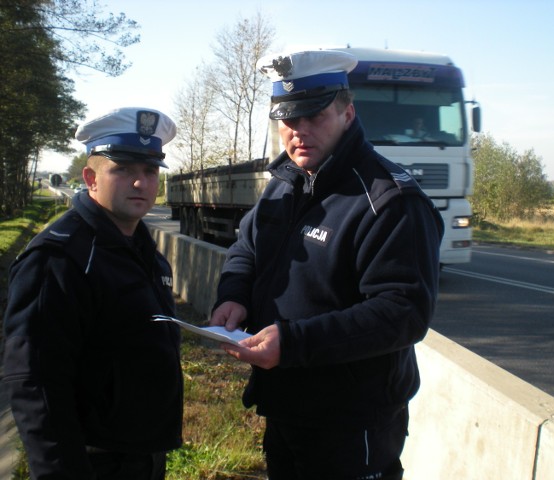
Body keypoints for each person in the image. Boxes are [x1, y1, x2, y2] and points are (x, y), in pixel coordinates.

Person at [210, 50, 444, 480]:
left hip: (352, 423)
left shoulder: (388, 201)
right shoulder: (283, 184)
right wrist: (234, 294)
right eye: (288, 120)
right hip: (285, 403)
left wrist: (294, 342)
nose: (299, 131)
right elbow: (247, 245)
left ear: (347, 112)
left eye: (314, 116)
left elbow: (402, 312)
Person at [2, 107, 183, 479]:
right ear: (90, 178)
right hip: (93, 463)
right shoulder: (58, 259)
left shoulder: (146, 254)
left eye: (149, 171)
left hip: (143, 456)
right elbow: (35, 384)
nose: (140, 183)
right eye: (124, 170)